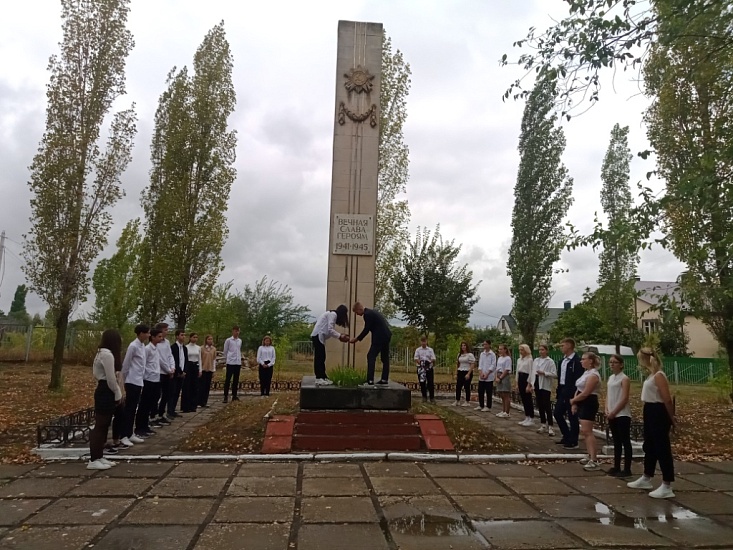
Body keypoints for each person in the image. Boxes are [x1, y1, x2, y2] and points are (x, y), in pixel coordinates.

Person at [627, 347, 676, 499]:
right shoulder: (651, 375)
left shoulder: (659, 375)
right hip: (649, 409)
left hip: (658, 411)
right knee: (650, 446)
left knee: (662, 448)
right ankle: (646, 477)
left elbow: (667, 399)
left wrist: (672, 418)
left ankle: (667, 484)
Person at [88, 329, 124, 470]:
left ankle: (99, 456)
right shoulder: (107, 355)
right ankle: (93, 459)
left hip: (104, 389)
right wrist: (117, 393)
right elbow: (110, 379)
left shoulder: (101, 353)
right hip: (106, 390)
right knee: (100, 426)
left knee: (104, 425)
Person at [570, 352, 602, 470]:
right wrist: (575, 402)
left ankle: (594, 459)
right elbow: (579, 388)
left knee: (587, 431)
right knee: (584, 431)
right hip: (582, 402)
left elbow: (586, 393)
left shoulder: (593, 375)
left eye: (584, 359)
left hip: (589, 402)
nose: (581, 361)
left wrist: (573, 400)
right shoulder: (586, 373)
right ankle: (589, 455)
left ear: (591, 361)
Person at [120, 324, 149, 447]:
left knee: (134, 409)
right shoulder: (133, 346)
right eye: (147, 333)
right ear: (141, 333)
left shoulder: (142, 346)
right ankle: (123, 435)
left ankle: (130, 433)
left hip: (138, 380)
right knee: (129, 409)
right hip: (131, 380)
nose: (148, 335)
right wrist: (125, 379)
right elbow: (126, 364)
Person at [350, 302, 392, 386]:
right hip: (386, 335)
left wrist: (357, 339)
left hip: (379, 337)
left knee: (370, 356)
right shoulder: (372, 312)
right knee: (385, 358)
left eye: (356, 312)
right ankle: (384, 379)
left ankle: (370, 380)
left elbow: (367, 329)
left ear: (359, 309)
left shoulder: (367, 314)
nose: (357, 315)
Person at [606, 354, 632, 477]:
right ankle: (616, 466)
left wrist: (614, 411)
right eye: (610, 362)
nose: (612, 364)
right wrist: (607, 409)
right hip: (611, 413)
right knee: (616, 441)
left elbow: (624, 398)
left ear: (621, 364)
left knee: (625, 441)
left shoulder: (624, 379)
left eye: (615, 362)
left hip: (622, 414)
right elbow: (608, 395)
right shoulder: (611, 378)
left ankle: (627, 468)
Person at [554, 338, 583, 449]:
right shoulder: (562, 361)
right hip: (562, 389)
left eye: (563, 345)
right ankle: (566, 435)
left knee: (572, 416)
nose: (561, 347)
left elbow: (578, 378)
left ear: (570, 346)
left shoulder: (576, 361)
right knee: (557, 413)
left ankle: (573, 440)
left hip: (572, 390)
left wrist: (574, 394)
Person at [135, 328, 164, 439]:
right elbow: (144, 363)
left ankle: (145, 426)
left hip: (156, 378)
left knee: (152, 402)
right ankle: (139, 427)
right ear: (153, 337)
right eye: (159, 337)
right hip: (148, 379)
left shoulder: (156, 349)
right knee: (144, 404)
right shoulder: (147, 349)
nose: (161, 339)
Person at [310, 305, 350, 386]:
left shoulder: (330, 314)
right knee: (319, 358)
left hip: (318, 336)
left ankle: (323, 377)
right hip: (318, 336)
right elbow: (330, 329)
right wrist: (340, 336)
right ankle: (319, 378)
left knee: (322, 357)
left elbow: (329, 330)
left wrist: (340, 335)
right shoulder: (333, 314)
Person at [154, 323, 175, 426]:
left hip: (168, 372)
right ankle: (154, 415)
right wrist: (167, 370)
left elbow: (170, 356)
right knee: (157, 395)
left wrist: (172, 367)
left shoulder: (166, 342)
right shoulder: (156, 344)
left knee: (167, 394)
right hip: (160, 372)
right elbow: (160, 360)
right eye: (165, 330)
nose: (167, 331)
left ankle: (162, 414)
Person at [533, 344, 557, 436]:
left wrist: (544, 373)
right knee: (540, 404)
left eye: (542, 350)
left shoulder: (550, 361)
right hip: (537, 383)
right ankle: (543, 423)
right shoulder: (536, 360)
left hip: (545, 385)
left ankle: (550, 425)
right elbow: (533, 371)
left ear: (546, 351)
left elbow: (554, 374)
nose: (541, 351)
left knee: (547, 405)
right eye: (539, 350)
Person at [516, 344, 536, 426]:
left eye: (522, 350)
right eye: (520, 350)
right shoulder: (519, 360)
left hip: (526, 379)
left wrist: (529, 384)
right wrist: (517, 383)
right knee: (523, 399)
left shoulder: (530, 360)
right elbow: (517, 371)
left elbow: (531, 372)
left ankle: (531, 417)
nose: (521, 351)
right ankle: (526, 416)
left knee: (528, 399)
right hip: (520, 378)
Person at [181, 333, 201, 412]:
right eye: (193, 337)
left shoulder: (198, 347)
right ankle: (186, 406)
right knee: (187, 386)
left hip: (195, 366)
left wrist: (200, 369)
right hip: (188, 366)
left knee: (195, 386)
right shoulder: (186, 347)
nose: (195, 339)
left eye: (196, 337)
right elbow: (184, 358)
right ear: (190, 338)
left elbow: (200, 359)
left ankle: (193, 405)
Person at [222, 326, 243, 402]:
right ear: (233, 331)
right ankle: (225, 396)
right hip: (230, 362)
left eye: (238, 331)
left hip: (237, 362)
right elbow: (225, 351)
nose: (237, 332)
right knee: (228, 379)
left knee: (236, 380)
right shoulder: (228, 340)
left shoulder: (240, 341)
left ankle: (234, 395)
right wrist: (227, 360)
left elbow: (238, 350)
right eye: (235, 331)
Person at [414, 336, 436, 403]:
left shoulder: (430, 350)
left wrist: (429, 362)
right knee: (422, 383)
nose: (423, 343)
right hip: (421, 368)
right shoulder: (418, 350)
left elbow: (433, 358)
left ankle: (432, 398)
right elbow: (416, 358)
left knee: (430, 383)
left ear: (427, 341)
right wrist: (421, 363)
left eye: (425, 341)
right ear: (421, 342)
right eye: (422, 341)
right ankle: (424, 397)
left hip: (428, 368)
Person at [452, 341, 475, 406]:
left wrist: (468, 373)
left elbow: (472, 364)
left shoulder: (470, 355)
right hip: (460, 371)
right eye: (462, 346)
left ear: (467, 346)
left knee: (467, 386)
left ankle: (467, 401)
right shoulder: (459, 354)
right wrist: (456, 373)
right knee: (458, 386)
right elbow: (457, 364)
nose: (463, 347)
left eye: (464, 345)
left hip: (467, 371)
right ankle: (457, 400)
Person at [476, 340, 496, 412]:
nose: (484, 346)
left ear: (489, 345)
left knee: (488, 391)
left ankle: (488, 406)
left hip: (489, 376)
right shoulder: (482, 354)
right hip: (482, 375)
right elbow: (480, 364)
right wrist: (481, 372)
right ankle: (481, 404)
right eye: (483, 344)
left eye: (486, 344)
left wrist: (487, 373)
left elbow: (493, 365)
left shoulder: (492, 354)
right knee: (480, 391)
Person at [198, 335, 216, 407]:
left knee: (207, 387)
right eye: (209, 339)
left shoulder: (214, 349)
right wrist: (200, 369)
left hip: (210, 369)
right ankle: (199, 401)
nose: (210, 340)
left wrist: (214, 370)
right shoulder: (201, 348)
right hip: (203, 369)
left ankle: (204, 402)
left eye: (211, 339)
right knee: (201, 386)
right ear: (206, 340)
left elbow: (214, 360)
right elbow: (200, 359)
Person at [495, 344, 512, 418]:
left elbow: (507, 369)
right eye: (499, 349)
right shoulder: (499, 358)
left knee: (506, 394)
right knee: (501, 394)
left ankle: (507, 412)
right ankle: (503, 410)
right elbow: (497, 368)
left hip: (504, 376)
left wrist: (501, 378)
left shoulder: (507, 358)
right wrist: (496, 377)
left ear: (505, 350)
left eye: (501, 349)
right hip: (498, 374)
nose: (500, 350)